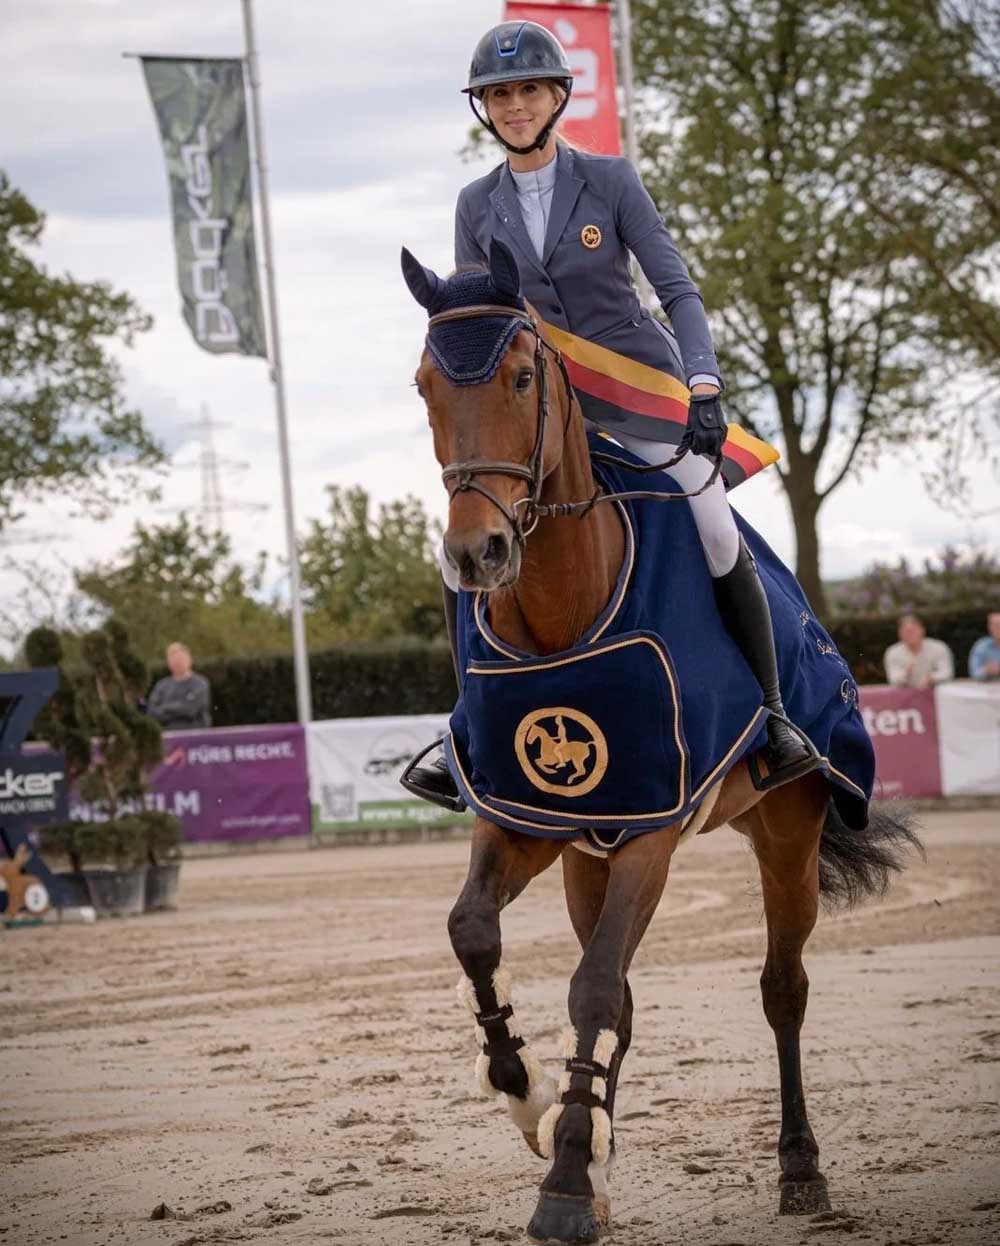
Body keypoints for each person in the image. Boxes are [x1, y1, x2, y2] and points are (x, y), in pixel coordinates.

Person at [405, 19, 821, 808]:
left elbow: (677, 289)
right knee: (462, 547)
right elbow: (485, 335)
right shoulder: (474, 204)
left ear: (557, 95)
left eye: (529, 89)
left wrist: (702, 383)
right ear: (484, 109)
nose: (516, 105)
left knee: (712, 522)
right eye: (500, 94)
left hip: (639, 392)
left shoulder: (611, 181)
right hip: (540, 419)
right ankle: (463, 731)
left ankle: (773, 714)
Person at [146, 642, 212, 730]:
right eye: (173, 659)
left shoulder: (200, 684)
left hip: (195, 737)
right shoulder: (161, 685)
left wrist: (164, 708)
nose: (177, 662)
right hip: (167, 737)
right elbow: (152, 712)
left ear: (189, 659)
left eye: (180, 658)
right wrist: (179, 708)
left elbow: (190, 709)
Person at [883, 614, 954, 688]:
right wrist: (906, 675)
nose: (910, 634)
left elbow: (947, 673)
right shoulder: (892, 652)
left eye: (913, 630)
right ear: (899, 633)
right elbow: (893, 679)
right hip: (906, 696)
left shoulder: (939, 647)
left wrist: (931, 678)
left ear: (922, 630)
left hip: (936, 693)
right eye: (906, 631)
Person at [968, 612, 1000, 681]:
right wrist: (986, 670)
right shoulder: (981, 646)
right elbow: (973, 673)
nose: (998, 628)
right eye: (996, 625)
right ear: (989, 627)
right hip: (987, 688)